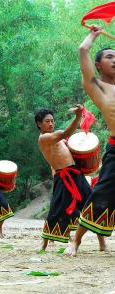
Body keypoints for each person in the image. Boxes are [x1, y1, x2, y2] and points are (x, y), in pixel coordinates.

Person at [66, 25, 115, 256]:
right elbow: (82, 50)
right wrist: (93, 35)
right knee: (102, 193)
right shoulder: (97, 87)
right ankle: (75, 241)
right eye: (109, 56)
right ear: (99, 65)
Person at [35, 106, 105, 251]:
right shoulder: (44, 138)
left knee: (91, 204)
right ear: (39, 124)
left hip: (76, 174)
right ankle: (44, 242)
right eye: (47, 121)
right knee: (56, 208)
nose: (51, 124)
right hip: (63, 177)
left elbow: (72, 144)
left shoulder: (58, 139)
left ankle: (102, 243)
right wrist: (78, 117)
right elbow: (66, 132)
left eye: (52, 121)